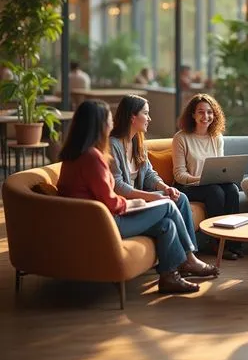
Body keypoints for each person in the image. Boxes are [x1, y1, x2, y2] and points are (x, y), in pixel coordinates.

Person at [57, 99, 219, 295]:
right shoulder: (93, 157)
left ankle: (169, 277)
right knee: (168, 206)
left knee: (167, 224)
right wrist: (140, 202)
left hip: (97, 219)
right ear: (99, 124)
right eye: (108, 119)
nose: (112, 123)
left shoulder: (78, 154)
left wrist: (162, 188)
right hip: (103, 222)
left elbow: (146, 176)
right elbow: (112, 200)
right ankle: (189, 259)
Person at [172, 93, 242, 261]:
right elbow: (179, 175)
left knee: (232, 189)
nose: (206, 116)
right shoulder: (181, 138)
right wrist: (200, 179)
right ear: (193, 115)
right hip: (187, 186)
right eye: (201, 112)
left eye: (210, 112)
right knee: (214, 192)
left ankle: (233, 242)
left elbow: (220, 168)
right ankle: (216, 243)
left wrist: (224, 175)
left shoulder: (216, 137)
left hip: (210, 183)